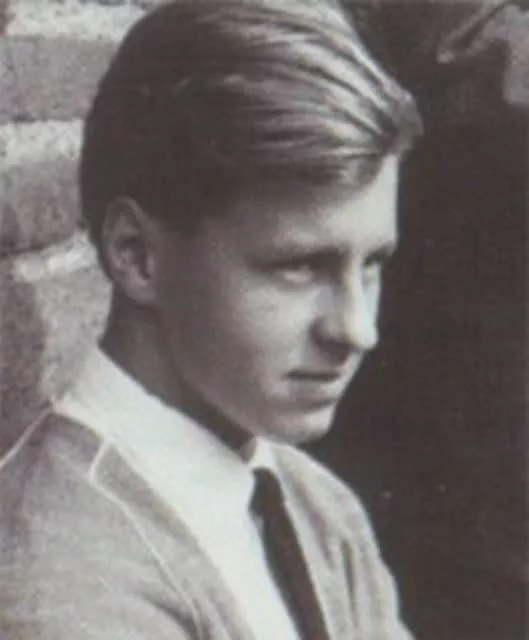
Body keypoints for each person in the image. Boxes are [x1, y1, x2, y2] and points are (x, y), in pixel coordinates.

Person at [0, 1, 421, 638]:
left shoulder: (319, 509)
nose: (358, 329)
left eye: (372, 265)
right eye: (299, 266)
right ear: (136, 255)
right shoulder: (62, 590)